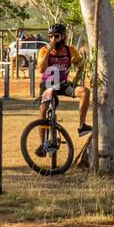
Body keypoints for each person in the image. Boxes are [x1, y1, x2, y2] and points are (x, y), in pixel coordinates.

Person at [33, 24, 92, 155]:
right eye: (51, 37)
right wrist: (49, 51)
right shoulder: (43, 50)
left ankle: (82, 126)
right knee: (43, 111)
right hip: (48, 85)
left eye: (56, 36)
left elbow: (81, 65)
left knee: (85, 92)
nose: (53, 39)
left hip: (63, 84)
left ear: (63, 37)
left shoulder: (70, 50)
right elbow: (41, 69)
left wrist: (76, 80)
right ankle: (43, 145)